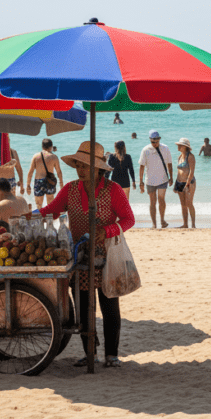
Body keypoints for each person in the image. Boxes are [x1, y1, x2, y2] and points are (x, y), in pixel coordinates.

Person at [40, 141, 135, 368]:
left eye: (84, 166)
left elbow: (128, 219)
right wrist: (28, 215)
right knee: (83, 308)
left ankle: (112, 354)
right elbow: (50, 211)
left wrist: (107, 230)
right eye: (78, 165)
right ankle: (89, 351)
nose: (80, 170)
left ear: (98, 168)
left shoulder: (112, 190)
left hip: (107, 257)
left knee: (109, 305)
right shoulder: (71, 189)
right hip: (79, 257)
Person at [139, 130, 173, 228]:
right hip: (149, 180)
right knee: (152, 202)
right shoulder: (145, 150)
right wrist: (141, 181)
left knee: (161, 199)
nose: (154, 144)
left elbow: (169, 164)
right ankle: (154, 223)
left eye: (156, 141)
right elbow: (141, 167)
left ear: (159, 139)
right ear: (150, 140)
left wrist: (171, 177)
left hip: (163, 179)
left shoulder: (165, 148)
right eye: (153, 142)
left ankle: (162, 220)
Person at [26, 139, 64, 209]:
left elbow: (30, 172)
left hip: (39, 181)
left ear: (42, 146)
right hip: (50, 182)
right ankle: (51, 219)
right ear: (51, 146)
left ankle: (41, 219)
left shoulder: (36, 156)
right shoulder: (54, 157)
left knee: (39, 205)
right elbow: (59, 172)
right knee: (50, 205)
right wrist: (61, 184)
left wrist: (28, 185)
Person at [173, 138, 197, 229]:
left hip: (189, 182)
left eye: (180, 145)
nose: (178, 146)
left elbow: (191, 172)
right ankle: (185, 224)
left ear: (185, 147)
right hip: (179, 182)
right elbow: (179, 172)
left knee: (189, 203)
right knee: (183, 205)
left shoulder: (190, 156)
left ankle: (193, 225)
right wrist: (176, 185)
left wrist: (187, 184)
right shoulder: (180, 156)